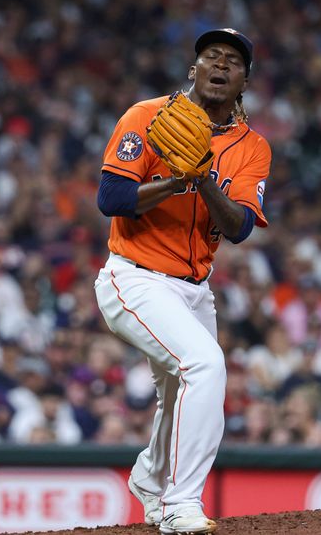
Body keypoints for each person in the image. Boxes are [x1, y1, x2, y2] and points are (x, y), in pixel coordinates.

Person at [94, 29, 270, 534]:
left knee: (179, 391)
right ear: (193, 68)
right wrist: (175, 180)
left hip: (195, 288)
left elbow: (237, 227)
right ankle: (179, 504)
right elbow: (112, 198)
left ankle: (150, 478)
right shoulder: (145, 117)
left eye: (232, 61)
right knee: (205, 365)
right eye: (210, 55)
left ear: (243, 82)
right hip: (134, 277)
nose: (220, 64)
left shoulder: (252, 146)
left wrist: (203, 178)